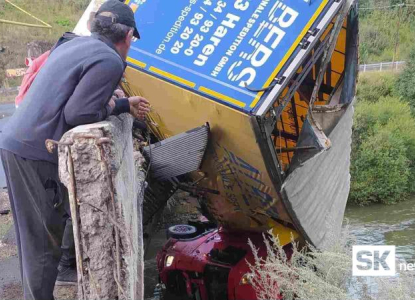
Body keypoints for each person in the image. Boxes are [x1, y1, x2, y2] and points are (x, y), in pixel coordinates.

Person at [0, 1, 150, 299]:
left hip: (17, 141)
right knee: (43, 244)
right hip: (37, 153)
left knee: (37, 237)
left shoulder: (72, 44)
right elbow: (79, 113)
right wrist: (118, 104)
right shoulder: (110, 60)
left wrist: (114, 98)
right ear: (129, 35)